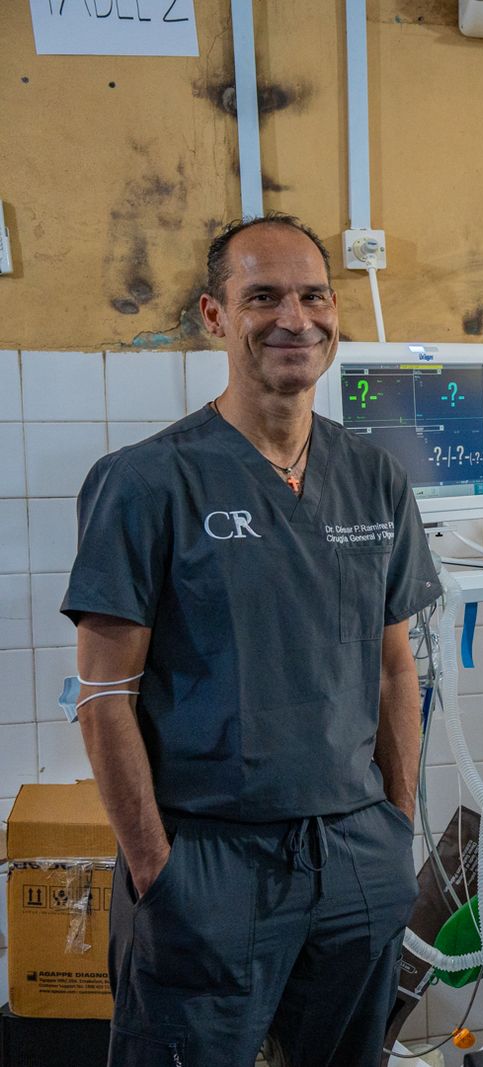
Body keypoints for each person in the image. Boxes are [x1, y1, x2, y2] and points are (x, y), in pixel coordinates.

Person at [63, 215, 440, 1067]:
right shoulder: (148, 481)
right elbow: (104, 696)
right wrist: (158, 866)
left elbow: (393, 670)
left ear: (335, 312)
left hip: (352, 859)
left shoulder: (373, 474)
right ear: (214, 316)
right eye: (262, 296)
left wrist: (396, 828)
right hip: (209, 864)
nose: (293, 319)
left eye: (312, 296)